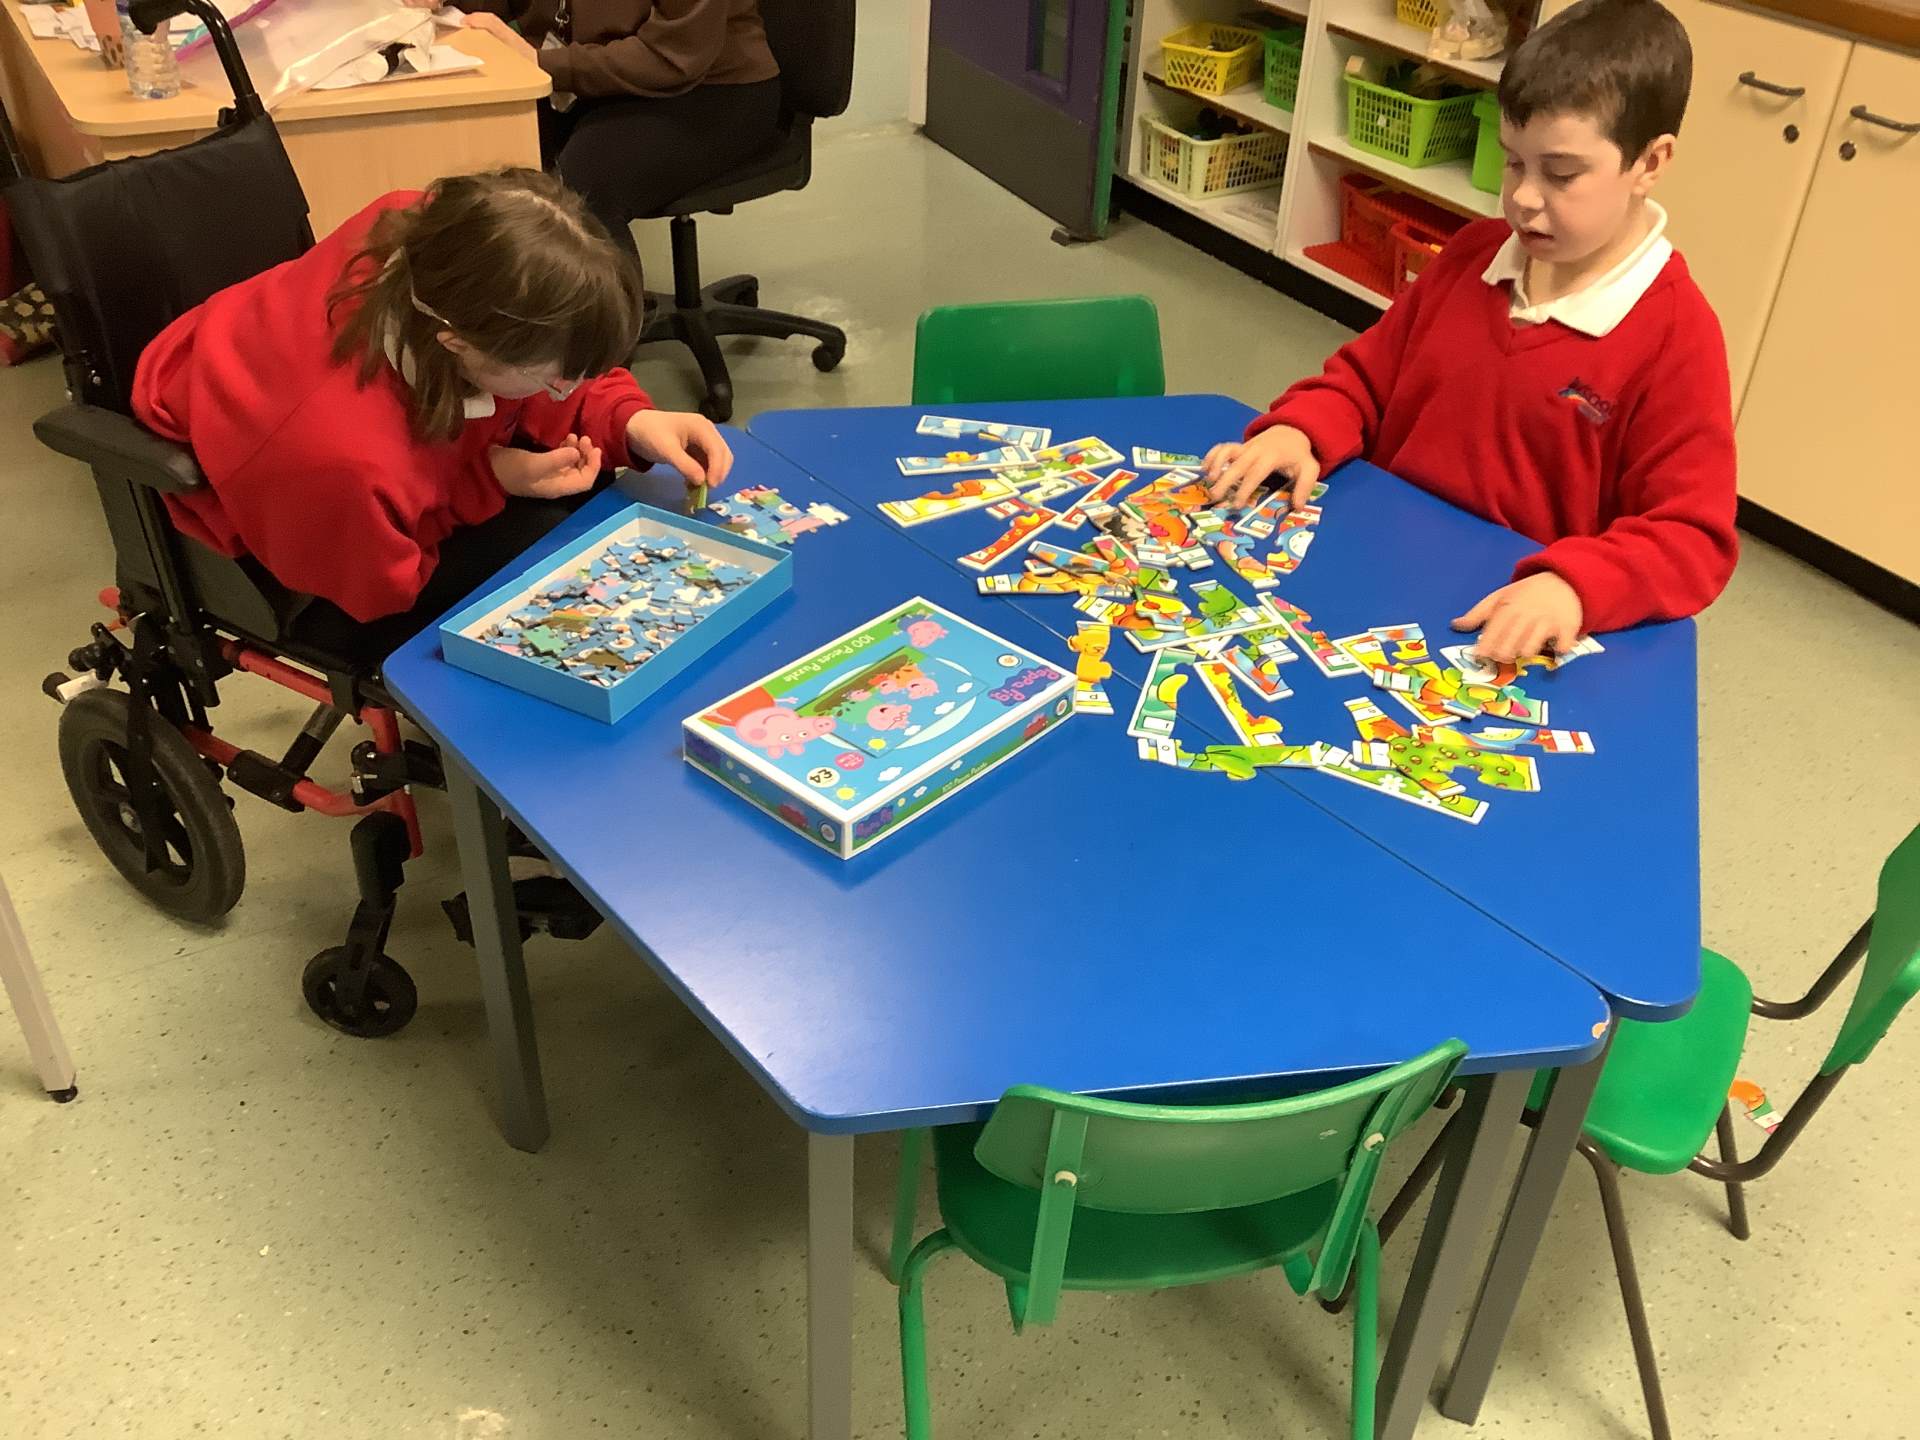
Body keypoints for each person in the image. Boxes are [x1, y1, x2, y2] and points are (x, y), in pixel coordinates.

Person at [1203, 0, 1737, 663]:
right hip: (1372, 569)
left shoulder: (1677, 334)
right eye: (1514, 163)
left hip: (1499, 623)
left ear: (1650, 163)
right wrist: (1302, 429)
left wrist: (1575, 587)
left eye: (1561, 173)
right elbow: (1365, 380)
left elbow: (1690, 536)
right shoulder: (1473, 253)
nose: (1525, 198)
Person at [132, 168, 733, 660]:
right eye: (555, 378)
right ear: (457, 344)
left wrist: (630, 419)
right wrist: (488, 480)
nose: (568, 389)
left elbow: (538, 360)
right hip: (324, 532)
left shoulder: (437, 232)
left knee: (589, 494)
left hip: (337, 427)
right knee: (550, 552)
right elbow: (379, 592)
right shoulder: (346, 461)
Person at [439, 0, 782, 249]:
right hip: (587, 74)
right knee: (477, 151)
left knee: (581, 194)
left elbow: (675, 57)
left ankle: (603, 327)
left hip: (712, 86)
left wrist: (544, 62)